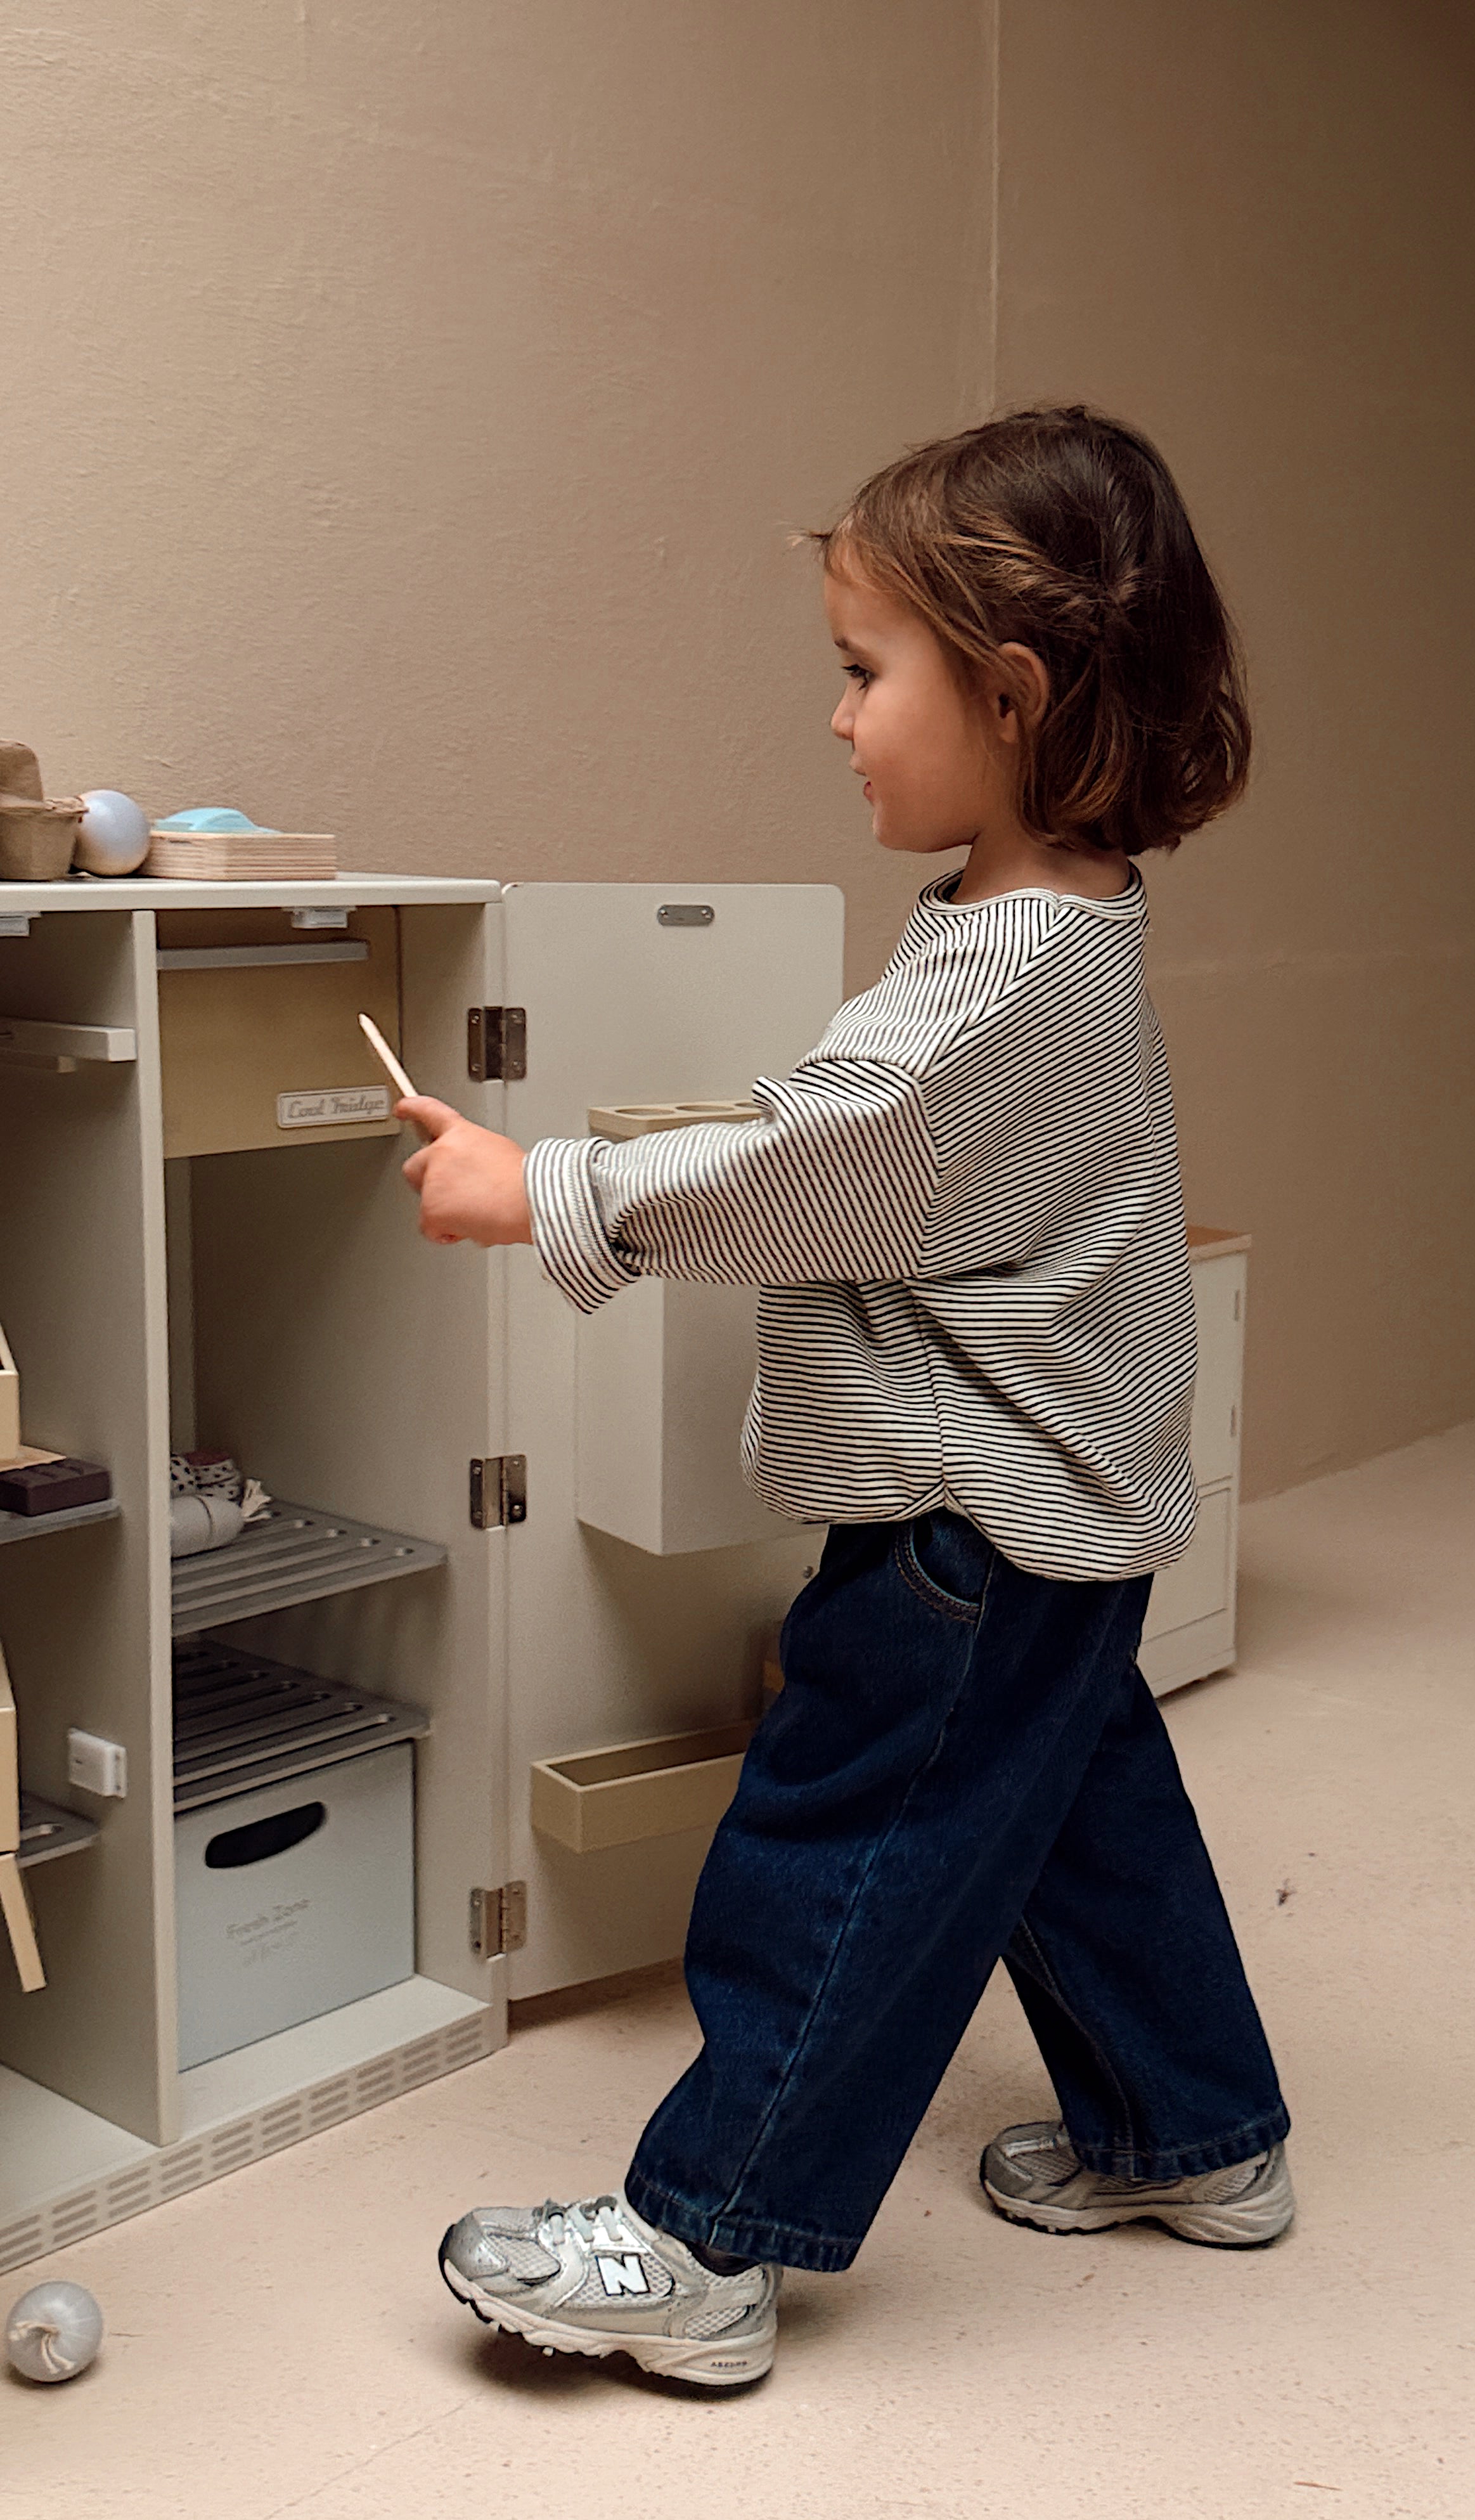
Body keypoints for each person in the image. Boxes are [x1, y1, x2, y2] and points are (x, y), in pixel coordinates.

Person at [400, 406, 1292, 2391]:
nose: (836, 720)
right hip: (1058, 1500)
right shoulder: (1036, 923)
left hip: (962, 1520)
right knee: (1073, 1826)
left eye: (861, 672)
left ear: (1011, 692)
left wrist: (535, 1185)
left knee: (841, 1852)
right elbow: (875, 1144)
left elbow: (829, 1160)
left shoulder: (1009, 969)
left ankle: (710, 2241)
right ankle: (1197, 2138)